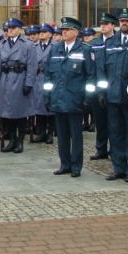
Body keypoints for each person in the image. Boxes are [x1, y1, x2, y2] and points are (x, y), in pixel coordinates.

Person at [44, 16, 96, 178]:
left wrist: (88, 98)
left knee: (76, 135)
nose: (63, 32)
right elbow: (48, 75)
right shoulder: (55, 49)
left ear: (75, 32)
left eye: (67, 30)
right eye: (62, 30)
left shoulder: (85, 50)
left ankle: (76, 166)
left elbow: (91, 77)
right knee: (62, 135)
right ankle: (64, 164)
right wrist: (47, 96)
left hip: (75, 99)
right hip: (58, 98)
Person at [98, 8, 128, 183]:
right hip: (113, 97)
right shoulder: (111, 43)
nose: (124, 23)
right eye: (122, 20)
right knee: (115, 134)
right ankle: (119, 167)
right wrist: (102, 92)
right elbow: (103, 71)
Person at [0, 18, 38, 154]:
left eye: (13, 28)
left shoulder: (28, 44)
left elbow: (32, 66)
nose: (10, 30)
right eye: (8, 28)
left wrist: (29, 84)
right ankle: (12, 140)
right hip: (5, 79)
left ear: (20, 29)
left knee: (20, 113)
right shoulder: (2, 44)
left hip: (20, 79)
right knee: (7, 114)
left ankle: (20, 141)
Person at [89, 13, 117, 160]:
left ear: (113, 26)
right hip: (97, 89)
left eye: (106, 24)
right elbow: (90, 68)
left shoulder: (118, 42)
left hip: (113, 90)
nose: (103, 26)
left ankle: (113, 149)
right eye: (101, 23)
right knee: (100, 122)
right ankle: (101, 149)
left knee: (113, 123)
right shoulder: (95, 43)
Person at [31, 23, 55, 144]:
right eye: (40, 31)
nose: (41, 33)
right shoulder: (34, 46)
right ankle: (41, 132)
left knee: (49, 108)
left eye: (44, 32)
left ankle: (50, 133)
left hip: (49, 77)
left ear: (50, 34)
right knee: (38, 107)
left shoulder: (55, 46)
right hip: (37, 78)